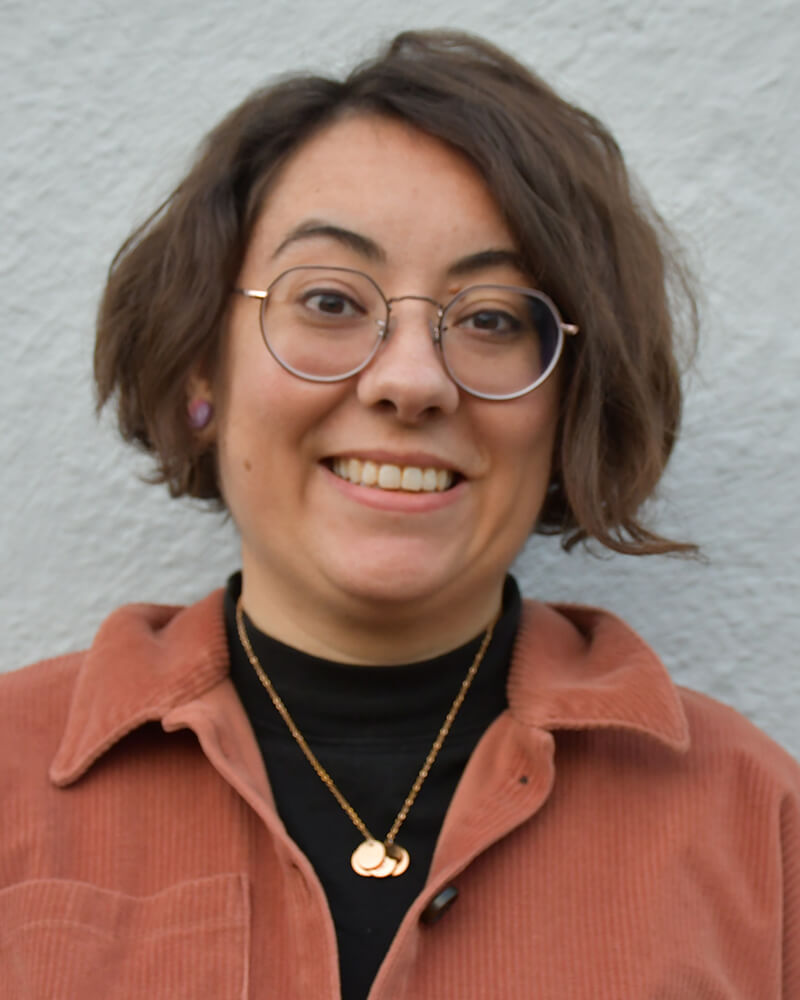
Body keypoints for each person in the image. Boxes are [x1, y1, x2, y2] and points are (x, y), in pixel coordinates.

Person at [1, 29, 798, 1000]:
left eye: (492, 318)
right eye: (331, 301)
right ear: (201, 366)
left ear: (569, 400)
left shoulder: (758, 828)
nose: (412, 380)